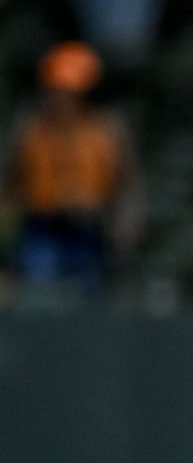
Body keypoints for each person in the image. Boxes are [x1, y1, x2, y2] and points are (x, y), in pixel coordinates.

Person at [5, 42, 135, 292]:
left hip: (91, 231)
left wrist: (123, 227)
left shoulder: (108, 130)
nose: (59, 99)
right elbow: (12, 182)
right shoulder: (31, 130)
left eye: (68, 92)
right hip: (42, 228)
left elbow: (125, 187)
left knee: (89, 298)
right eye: (54, 91)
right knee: (40, 293)